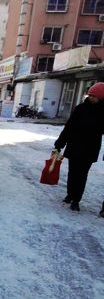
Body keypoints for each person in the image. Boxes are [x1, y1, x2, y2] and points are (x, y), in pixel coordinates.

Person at [53, 82, 104, 212]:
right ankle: (70, 194)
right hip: (74, 146)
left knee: (82, 175)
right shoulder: (80, 108)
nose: (92, 97)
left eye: (95, 96)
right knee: (72, 172)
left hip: (90, 149)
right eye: (90, 95)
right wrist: (59, 144)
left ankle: (76, 200)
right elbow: (69, 127)